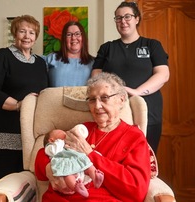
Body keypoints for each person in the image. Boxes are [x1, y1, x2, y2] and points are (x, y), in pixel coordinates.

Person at [35, 72, 151, 202]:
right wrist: (48, 168)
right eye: (92, 99)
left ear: (121, 100)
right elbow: (47, 151)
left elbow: (136, 190)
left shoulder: (134, 137)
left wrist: (90, 154)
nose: (97, 106)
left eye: (104, 97)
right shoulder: (82, 130)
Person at [91, 1, 170, 154]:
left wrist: (136, 92)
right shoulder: (107, 48)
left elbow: (163, 74)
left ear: (137, 19)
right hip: (114, 115)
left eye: (127, 16)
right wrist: (115, 91)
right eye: (118, 18)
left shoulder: (152, 45)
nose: (123, 21)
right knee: (115, 159)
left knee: (146, 160)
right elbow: (96, 76)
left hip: (148, 113)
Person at [0, 15, 48, 185]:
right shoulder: (3, 55)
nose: (27, 36)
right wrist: (19, 105)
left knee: (27, 185)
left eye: (31, 32)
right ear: (14, 34)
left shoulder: (40, 63)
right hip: (4, 130)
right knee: (2, 185)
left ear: (36, 37)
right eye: (22, 31)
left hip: (29, 135)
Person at [44, 124, 104, 198]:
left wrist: (93, 154)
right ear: (51, 140)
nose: (65, 133)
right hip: (64, 163)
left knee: (88, 165)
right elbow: (47, 153)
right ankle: (76, 186)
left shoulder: (65, 144)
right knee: (67, 175)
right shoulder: (50, 147)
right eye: (61, 132)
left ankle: (96, 176)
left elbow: (90, 154)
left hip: (77, 161)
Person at [43, 21, 94, 87]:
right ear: (64, 39)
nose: (73, 38)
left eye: (77, 34)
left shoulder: (94, 62)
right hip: (54, 97)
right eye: (69, 35)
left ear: (83, 37)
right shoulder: (51, 58)